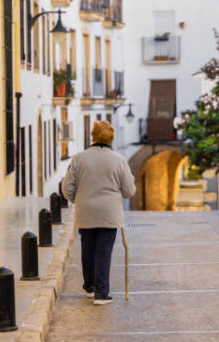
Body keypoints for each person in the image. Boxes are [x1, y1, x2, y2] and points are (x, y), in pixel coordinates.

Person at [62, 120, 136, 305]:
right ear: (111, 138)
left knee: (87, 248)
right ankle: (101, 293)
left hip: (85, 211)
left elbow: (67, 187)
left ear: (92, 136)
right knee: (103, 250)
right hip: (109, 214)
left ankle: (89, 286)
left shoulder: (78, 158)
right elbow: (129, 191)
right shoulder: (119, 160)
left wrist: (78, 200)